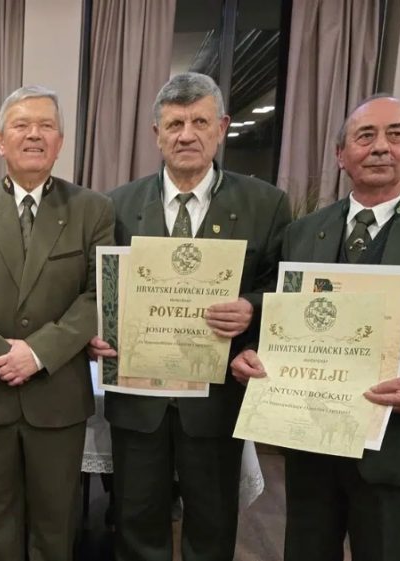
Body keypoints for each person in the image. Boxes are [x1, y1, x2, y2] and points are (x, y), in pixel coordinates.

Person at [230, 95, 400, 561]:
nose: (380, 147)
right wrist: (254, 351)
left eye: (395, 135)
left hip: (398, 450)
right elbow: (288, 318)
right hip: (312, 445)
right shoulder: (304, 233)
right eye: (365, 136)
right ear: (342, 155)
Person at [87, 72, 290, 561]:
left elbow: (282, 290)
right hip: (140, 397)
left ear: (221, 127)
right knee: (135, 517)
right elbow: (99, 288)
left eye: (199, 121)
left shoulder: (265, 204)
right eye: (174, 123)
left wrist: (251, 308)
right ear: (155, 133)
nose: (186, 134)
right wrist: (98, 331)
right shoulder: (116, 204)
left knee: (213, 520)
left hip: (216, 394)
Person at [0, 85, 116, 561]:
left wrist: (37, 353)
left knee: (57, 524)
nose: (34, 134)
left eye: (46, 126)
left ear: (60, 142)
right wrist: (0, 352)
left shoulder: (92, 209)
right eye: (21, 125)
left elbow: (98, 293)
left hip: (56, 394)